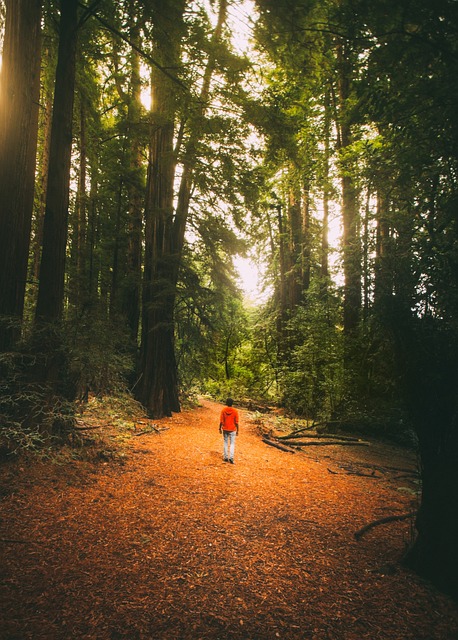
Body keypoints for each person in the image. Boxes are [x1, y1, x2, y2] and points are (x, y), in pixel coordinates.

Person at [219, 398, 239, 464]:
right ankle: (231, 457)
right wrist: (238, 430)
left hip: (225, 429)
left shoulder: (223, 410)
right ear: (232, 403)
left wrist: (219, 428)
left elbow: (221, 421)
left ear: (226, 403)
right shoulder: (235, 411)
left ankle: (225, 457)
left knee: (225, 442)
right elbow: (236, 422)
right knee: (232, 443)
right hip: (233, 429)